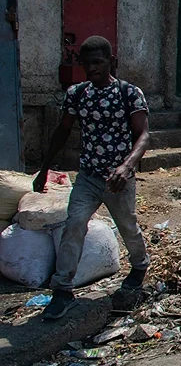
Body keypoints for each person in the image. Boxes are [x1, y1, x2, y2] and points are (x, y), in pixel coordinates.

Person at [32, 36, 150, 319]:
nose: (92, 68)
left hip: (118, 179)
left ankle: (140, 265)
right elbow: (63, 130)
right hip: (88, 177)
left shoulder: (129, 93)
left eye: (97, 62)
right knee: (73, 225)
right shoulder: (77, 94)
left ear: (111, 62)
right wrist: (45, 168)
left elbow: (143, 135)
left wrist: (127, 167)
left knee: (128, 227)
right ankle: (62, 291)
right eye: (86, 64)